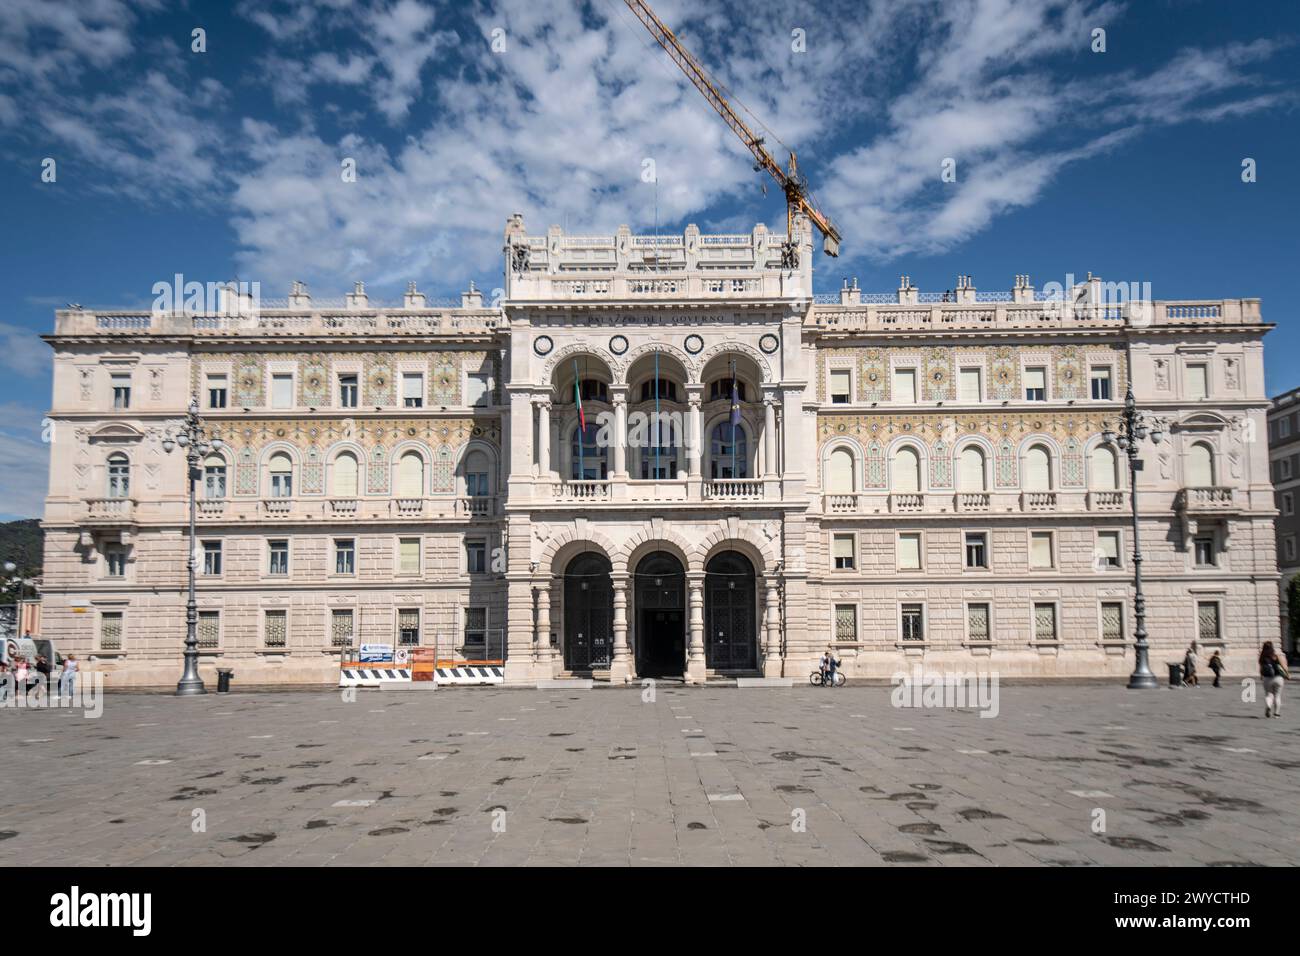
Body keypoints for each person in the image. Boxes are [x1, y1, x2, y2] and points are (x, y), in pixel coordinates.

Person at [1260, 641, 1289, 719]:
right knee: (1277, 695)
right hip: (1278, 678)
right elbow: (1283, 666)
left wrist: (1261, 676)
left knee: (1268, 695)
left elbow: (1261, 668)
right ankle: (1276, 714)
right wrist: (1287, 674)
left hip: (1267, 678)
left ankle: (1268, 706)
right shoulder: (1276, 656)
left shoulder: (1262, 657)